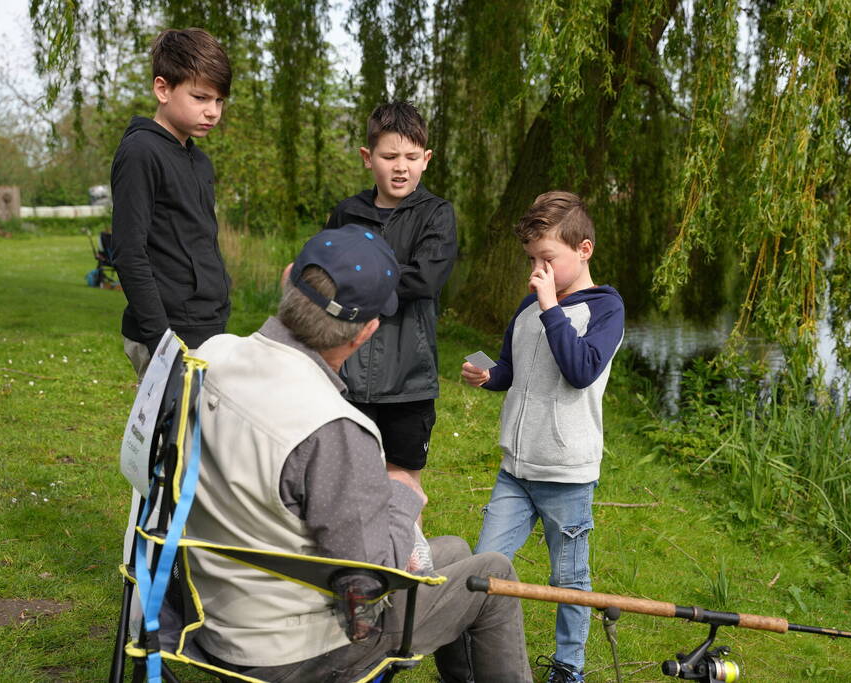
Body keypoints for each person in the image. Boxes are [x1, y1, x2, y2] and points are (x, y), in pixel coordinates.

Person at [186, 224, 532, 682]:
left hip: (211, 602)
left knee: (454, 552)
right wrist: (403, 493)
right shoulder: (333, 427)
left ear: (290, 280)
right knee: (493, 577)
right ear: (366, 331)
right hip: (289, 647)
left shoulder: (212, 354)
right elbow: (368, 580)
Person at [461, 192, 625, 683]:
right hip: (515, 469)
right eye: (532, 260)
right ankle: (471, 657)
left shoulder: (605, 308)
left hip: (566, 473)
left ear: (584, 250)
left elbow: (579, 370)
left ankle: (568, 668)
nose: (538, 270)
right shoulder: (530, 305)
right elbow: (514, 367)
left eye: (547, 259)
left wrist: (552, 305)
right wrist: (489, 376)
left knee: (568, 580)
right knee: (483, 569)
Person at [323, 101, 458, 492]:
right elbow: (322, 275)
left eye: (412, 157)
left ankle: (412, 556)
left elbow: (424, 280)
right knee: (346, 481)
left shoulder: (437, 214)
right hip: (345, 374)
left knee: (403, 483)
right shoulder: (347, 213)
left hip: (408, 380)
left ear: (426, 159)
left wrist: (357, 279)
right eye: (390, 156)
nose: (401, 167)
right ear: (368, 157)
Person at [110, 27, 233, 379]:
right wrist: (161, 340)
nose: (213, 112)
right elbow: (129, 252)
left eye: (219, 100)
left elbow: (199, 240)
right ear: (162, 88)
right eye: (200, 98)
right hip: (169, 336)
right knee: (173, 436)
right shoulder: (140, 152)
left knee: (204, 435)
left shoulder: (199, 161)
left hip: (209, 327)